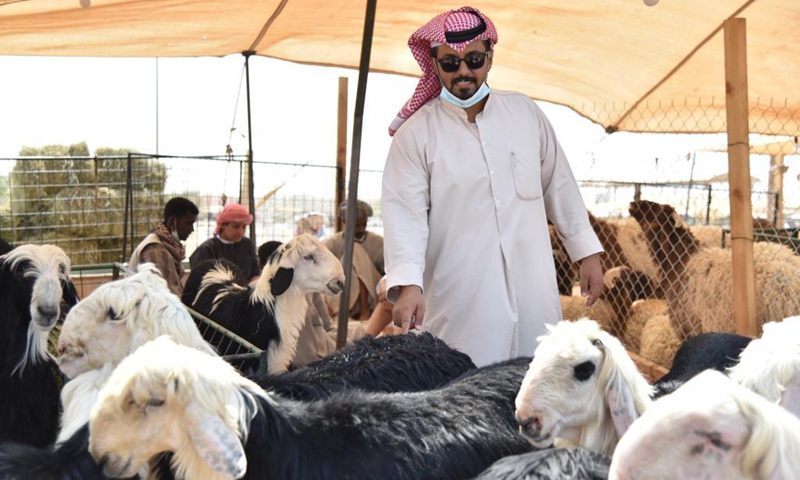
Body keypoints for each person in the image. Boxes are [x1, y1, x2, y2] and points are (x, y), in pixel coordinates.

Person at [382, 7, 604, 367]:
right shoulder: (416, 136)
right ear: (434, 64)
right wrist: (409, 285)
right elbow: (403, 216)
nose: (464, 71)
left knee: (538, 390)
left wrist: (586, 252)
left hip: (534, 294)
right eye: (451, 63)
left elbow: (559, 184)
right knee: (467, 394)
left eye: (473, 59)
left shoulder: (525, 114)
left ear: (489, 57)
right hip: (462, 302)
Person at [324, 200, 384, 321]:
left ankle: (364, 310)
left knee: (353, 249)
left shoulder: (378, 243)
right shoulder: (334, 243)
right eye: (357, 226)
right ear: (345, 222)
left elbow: (388, 273)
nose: (361, 229)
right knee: (349, 262)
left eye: (364, 224)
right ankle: (351, 311)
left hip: (372, 296)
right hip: (341, 292)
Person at [129, 197, 198, 295]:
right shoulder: (155, 250)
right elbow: (162, 298)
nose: (192, 230)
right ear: (172, 222)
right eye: (188, 223)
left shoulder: (164, 244)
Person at [190, 203, 260, 284]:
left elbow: (255, 274)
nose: (240, 232)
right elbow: (198, 281)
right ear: (223, 225)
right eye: (236, 226)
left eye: (244, 227)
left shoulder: (247, 245)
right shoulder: (207, 249)